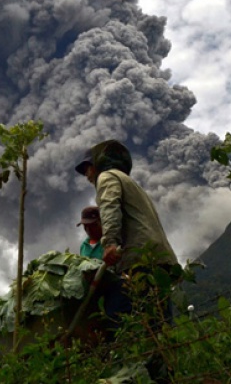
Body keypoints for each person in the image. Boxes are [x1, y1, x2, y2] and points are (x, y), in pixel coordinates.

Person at [75, 139, 178, 326]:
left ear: (97, 164)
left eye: (87, 168)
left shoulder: (106, 177)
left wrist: (110, 243)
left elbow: (109, 206)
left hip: (138, 260)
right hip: (158, 259)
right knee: (160, 323)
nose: (86, 175)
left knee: (116, 321)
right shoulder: (130, 182)